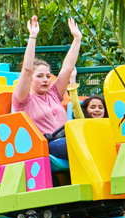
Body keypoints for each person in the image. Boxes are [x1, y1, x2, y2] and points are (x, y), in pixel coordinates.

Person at [13, 16, 83, 160]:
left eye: (47, 76)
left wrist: (77, 39)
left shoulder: (54, 94)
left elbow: (67, 68)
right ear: (30, 79)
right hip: (48, 146)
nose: (45, 80)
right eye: (39, 76)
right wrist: (33, 36)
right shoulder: (23, 100)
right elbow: (26, 70)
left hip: (67, 138)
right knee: (77, 143)